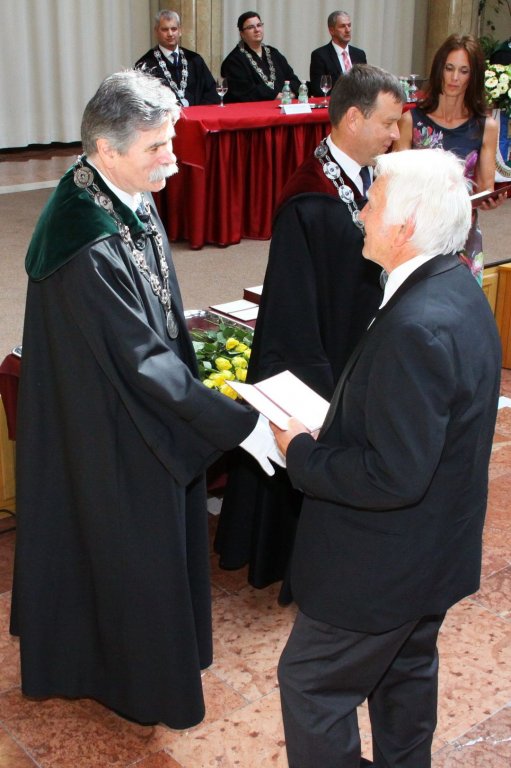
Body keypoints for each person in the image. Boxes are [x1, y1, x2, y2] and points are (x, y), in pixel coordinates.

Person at [9, 69, 284, 731]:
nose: (172, 158)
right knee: (124, 546)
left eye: (170, 141)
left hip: (131, 399)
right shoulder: (84, 237)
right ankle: (128, 681)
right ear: (106, 150)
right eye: (157, 146)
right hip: (106, 421)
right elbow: (140, 360)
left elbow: (157, 317)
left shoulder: (123, 191)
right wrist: (237, 425)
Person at [272, 147, 502, 768]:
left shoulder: (415, 327)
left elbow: (393, 475)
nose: (360, 215)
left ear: (405, 227)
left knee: (312, 686)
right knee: (404, 678)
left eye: (371, 204)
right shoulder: (457, 287)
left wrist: (302, 452)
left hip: (383, 571)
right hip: (434, 556)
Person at [215, 65, 402, 601]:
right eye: (388, 122)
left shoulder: (371, 176)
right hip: (320, 360)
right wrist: (319, 390)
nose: (395, 134)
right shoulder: (310, 196)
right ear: (353, 118)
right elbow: (294, 310)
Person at [393, 34, 503, 284]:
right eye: (449, 68)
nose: (454, 78)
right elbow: (396, 186)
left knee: (461, 302)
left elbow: (484, 188)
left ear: (473, 76)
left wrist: (490, 200)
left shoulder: (486, 126)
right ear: (439, 69)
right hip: (419, 233)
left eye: (464, 71)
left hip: (462, 234)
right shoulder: (410, 121)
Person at [135, 9, 219, 106]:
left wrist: (198, 112)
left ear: (180, 31)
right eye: (165, 29)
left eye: (174, 29)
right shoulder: (145, 65)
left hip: (198, 114)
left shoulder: (194, 60)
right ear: (156, 32)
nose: (170, 34)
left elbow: (211, 92)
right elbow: (143, 102)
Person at [221, 11, 301, 102]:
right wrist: (276, 96)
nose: (257, 30)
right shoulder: (233, 60)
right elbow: (245, 91)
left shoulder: (274, 53)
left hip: (284, 105)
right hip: (255, 109)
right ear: (242, 33)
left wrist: (289, 94)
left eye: (259, 25)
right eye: (251, 27)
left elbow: (294, 80)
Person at [310, 10, 367, 96]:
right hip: (334, 103)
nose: (348, 30)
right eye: (342, 26)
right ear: (331, 30)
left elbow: (366, 84)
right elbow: (318, 90)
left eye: (349, 25)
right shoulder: (320, 55)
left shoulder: (359, 54)